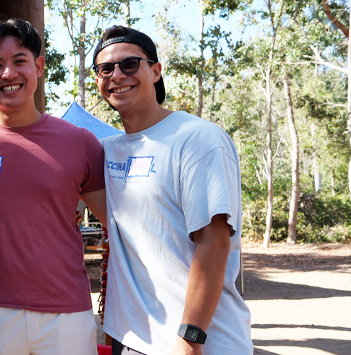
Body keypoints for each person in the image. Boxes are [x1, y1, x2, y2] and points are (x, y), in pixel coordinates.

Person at [0, 19, 107, 354]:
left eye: (19, 61)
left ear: (38, 67)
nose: (9, 74)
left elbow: (113, 223)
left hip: (67, 313)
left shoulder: (80, 143)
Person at [92, 25, 252, 355]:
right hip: (133, 340)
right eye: (105, 68)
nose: (117, 75)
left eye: (130, 64)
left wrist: (190, 336)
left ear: (155, 70)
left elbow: (215, 241)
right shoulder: (103, 151)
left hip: (202, 343)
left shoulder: (197, 139)